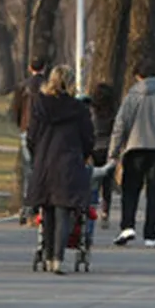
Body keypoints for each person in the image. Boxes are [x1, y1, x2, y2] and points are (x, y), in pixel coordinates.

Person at [25, 65, 94, 274]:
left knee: (47, 209)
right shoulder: (78, 109)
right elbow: (87, 139)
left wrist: (37, 154)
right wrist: (83, 155)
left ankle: (46, 255)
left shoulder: (40, 105)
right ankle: (57, 258)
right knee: (64, 211)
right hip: (69, 163)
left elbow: (32, 136)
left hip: (45, 162)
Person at [109, 58, 155, 248]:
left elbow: (121, 125)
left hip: (135, 149)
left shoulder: (132, 95)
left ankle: (127, 226)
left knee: (130, 190)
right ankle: (150, 234)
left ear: (138, 76)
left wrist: (114, 151)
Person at [10, 57, 48, 224]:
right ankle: (40, 206)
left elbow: (16, 110)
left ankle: (26, 207)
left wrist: (22, 126)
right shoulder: (48, 86)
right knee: (43, 169)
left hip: (27, 130)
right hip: (44, 133)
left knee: (28, 170)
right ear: (44, 68)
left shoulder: (22, 86)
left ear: (29, 67)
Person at [88, 82, 119, 228]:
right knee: (107, 183)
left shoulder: (91, 111)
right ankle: (105, 212)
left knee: (92, 181)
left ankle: (91, 207)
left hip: (92, 149)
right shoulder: (114, 112)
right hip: (108, 149)